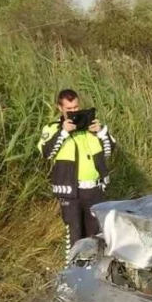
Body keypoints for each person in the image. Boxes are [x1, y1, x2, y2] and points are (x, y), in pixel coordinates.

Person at [37, 88, 116, 251]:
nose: (74, 112)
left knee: (96, 236)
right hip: (71, 192)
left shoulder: (90, 127)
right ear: (60, 108)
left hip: (94, 190)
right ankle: (74, 273)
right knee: (74, 236)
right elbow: (46, 152)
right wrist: (63, 132)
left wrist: (101, 132)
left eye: (76, 108)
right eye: (69, 109)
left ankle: (94, 271)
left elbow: (110, 149)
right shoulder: (52, 128)